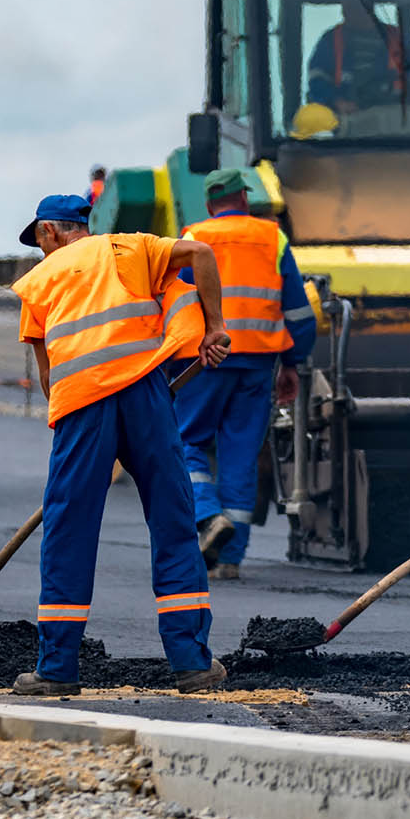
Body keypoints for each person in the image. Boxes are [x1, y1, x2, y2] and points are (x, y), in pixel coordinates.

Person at [10, 194, 233, 696]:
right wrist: (215, 325)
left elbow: (49, 378)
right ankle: (192, 664)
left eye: (40, 241)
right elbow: (200, 254)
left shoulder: (38, 283)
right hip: (146, 394)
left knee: (69, 529)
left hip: (82, 406)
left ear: (50, 232)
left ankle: (57, 669)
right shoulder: (131, 248)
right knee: (174, 522)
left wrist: (84, 437)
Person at [173, 169, 317, 580]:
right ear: (244, 198)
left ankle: (207, 516)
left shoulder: (193, 234)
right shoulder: (273, 238)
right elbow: (298, 312)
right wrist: (293, 362)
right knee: (240, 455)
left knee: (185, 441)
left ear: (208, 204)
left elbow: (178, 301)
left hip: (204, 359)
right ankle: (230, 559)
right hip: (257, 362)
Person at [305, 0, 410, 137]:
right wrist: (336, 101)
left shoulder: (397, 38)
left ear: (370, 7)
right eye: (347, 6)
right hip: (347, 132)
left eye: (356, 6)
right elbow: (317, 79)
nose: (348, 11)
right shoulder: (331, 40)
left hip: (398, 125)